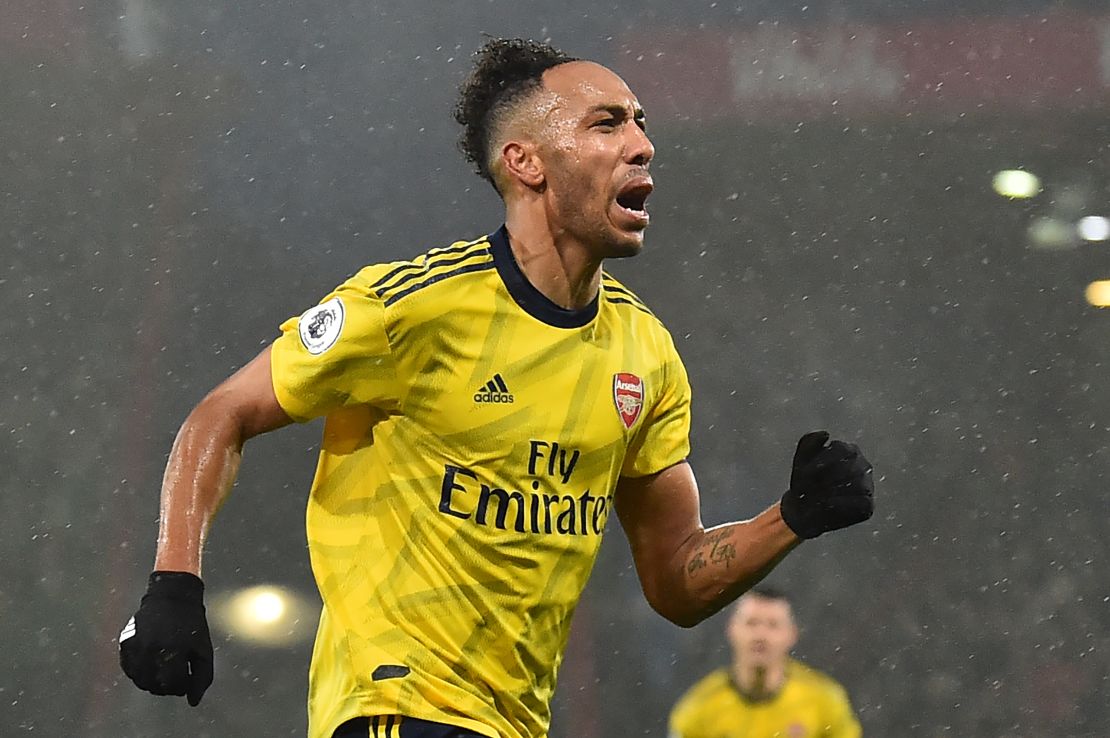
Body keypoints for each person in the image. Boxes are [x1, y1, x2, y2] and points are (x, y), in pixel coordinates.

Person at [118, 37, 875, 738]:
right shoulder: (412, 309)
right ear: (526, 162)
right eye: (606, 124)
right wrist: (175, 584)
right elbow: (222, 412)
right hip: (393, 705)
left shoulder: (647, 355)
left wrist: (791, 518)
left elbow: (675, 580)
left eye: (640, 124)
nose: (643, 144)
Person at [669, 587, 862, 738]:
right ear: (732, 629)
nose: (761, 635)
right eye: (752, 623)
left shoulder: (824, 702)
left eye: (773, 625)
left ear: (792, 634)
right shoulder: (698, 710)